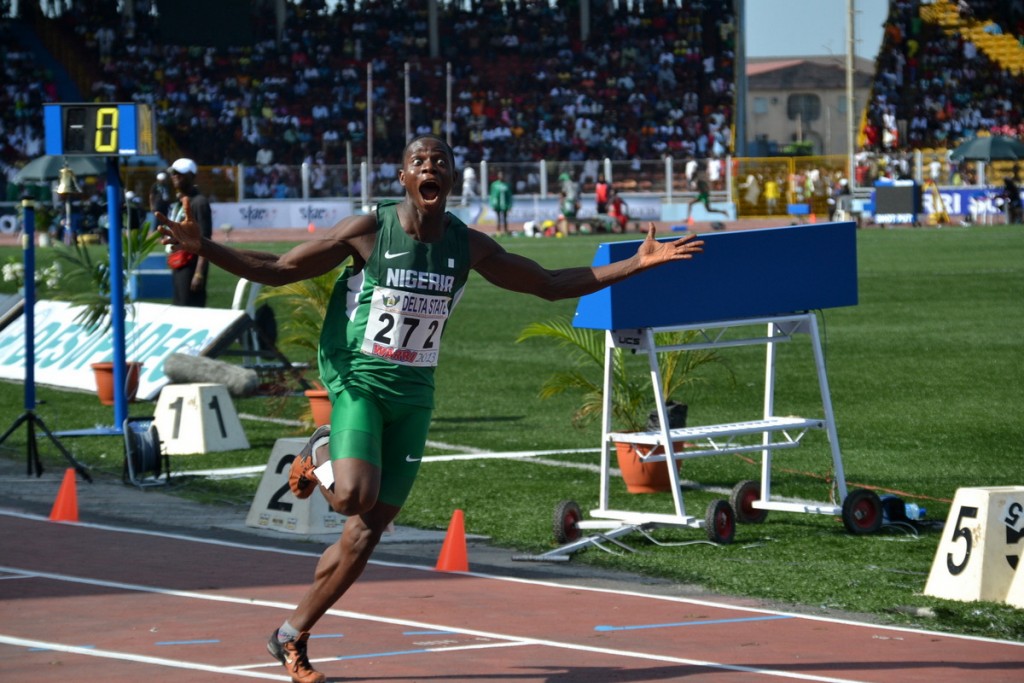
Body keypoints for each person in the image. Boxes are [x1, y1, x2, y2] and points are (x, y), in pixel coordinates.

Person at [156, 135, 703, 683]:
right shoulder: (369, 231)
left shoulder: (468, 246)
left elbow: (548, 284)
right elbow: (278, 268)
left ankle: (289, 635)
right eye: (419, 161)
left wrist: (636, 263)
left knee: (366, 533)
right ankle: (321, 450)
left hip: (415, 392)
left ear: (454, 178)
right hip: (359, 377)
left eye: (440, 160)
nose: (430, 166)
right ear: (404, 178)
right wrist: (204, 248)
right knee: (350, 495)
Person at [166, 158, 212, 307]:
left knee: (190, 308)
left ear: (191, 176)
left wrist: (199, 273)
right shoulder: (179, 202)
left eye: (180, 173)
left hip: (191, 265)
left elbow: (205, 240)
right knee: (179, 307)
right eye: (173, 173)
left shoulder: (199, 202)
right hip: (178, 262)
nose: (175, 176)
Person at [488, 169, 512, 236]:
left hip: (505, 204)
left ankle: (505, 230)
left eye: (502, 175)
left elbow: (509, 196)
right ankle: (498, 231)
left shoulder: (507, 185)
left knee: (505, 218)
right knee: (498, 218)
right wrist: (492, 204)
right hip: (497, 204)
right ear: (498, 176)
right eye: (500, 175)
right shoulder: (494, 184)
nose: (501, 176)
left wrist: (510, 205)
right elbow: (492, 195)